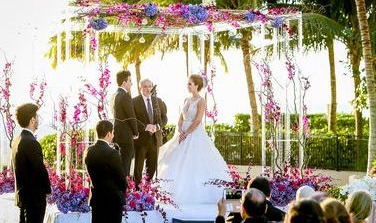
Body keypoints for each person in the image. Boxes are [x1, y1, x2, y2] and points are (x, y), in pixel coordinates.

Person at [158, 74, 231, 204]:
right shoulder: (186, 99)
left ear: (197, 85)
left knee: (194, 161)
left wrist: (186, 133)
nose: (188, 86)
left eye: (190, 84)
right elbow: (181, 117)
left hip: (194, 133)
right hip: (182, 133)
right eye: (188, 84)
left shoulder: (201, 101)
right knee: (175, 159)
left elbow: (197, 120)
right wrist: (180, 129)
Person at [12, 103, 51, 223]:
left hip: (23, 196)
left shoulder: (17, 140)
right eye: (37, 117)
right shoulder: (31, 142)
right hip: (34, 199)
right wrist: (48, 189)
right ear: (32, 120)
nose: (38, 119)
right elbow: (40, 170)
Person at [84, 120, 127, 223]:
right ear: (108, 134)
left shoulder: (88, 151)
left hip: (97, 199)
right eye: (112, 133)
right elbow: (121, 179)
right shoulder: (113, 153)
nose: (112, 136)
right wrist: (123, 189)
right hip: (112, 201)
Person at [132, 78, 168, 186]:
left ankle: (148, 189)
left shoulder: (158, 101)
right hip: (141, 140)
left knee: (152, 167)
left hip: (155, 140)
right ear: (140, 88)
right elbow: (133, 120)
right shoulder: (134, 102)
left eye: (149, 86)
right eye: (145, 86)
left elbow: (164, 118)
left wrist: (157, 126)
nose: (148, 89)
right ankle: (137, 191)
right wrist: (145, 127)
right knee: (138, 167)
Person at [113, 70, 139, 177]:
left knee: (119, 165)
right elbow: (131, 116)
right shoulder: (125, 96)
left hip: (117, 135)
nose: (131, 84)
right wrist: (136, 132)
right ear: (124, 82)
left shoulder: (114, 95)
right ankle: (124, 191)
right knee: (125, 167)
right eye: (130, 81)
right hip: (126, 136)